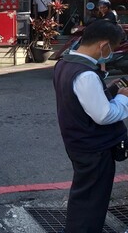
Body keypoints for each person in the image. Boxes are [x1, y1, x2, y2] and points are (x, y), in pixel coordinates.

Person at [53, 20, 128, 232]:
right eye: (112, 48)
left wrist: (111, 90)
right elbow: (103, 115)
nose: (112, 53)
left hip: (78, 141)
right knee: (92, 201)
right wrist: (123, 98)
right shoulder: (86, 74)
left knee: (85, 195)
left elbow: (79, 101)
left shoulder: (65, 63)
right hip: (93, 147)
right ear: (103, 45)